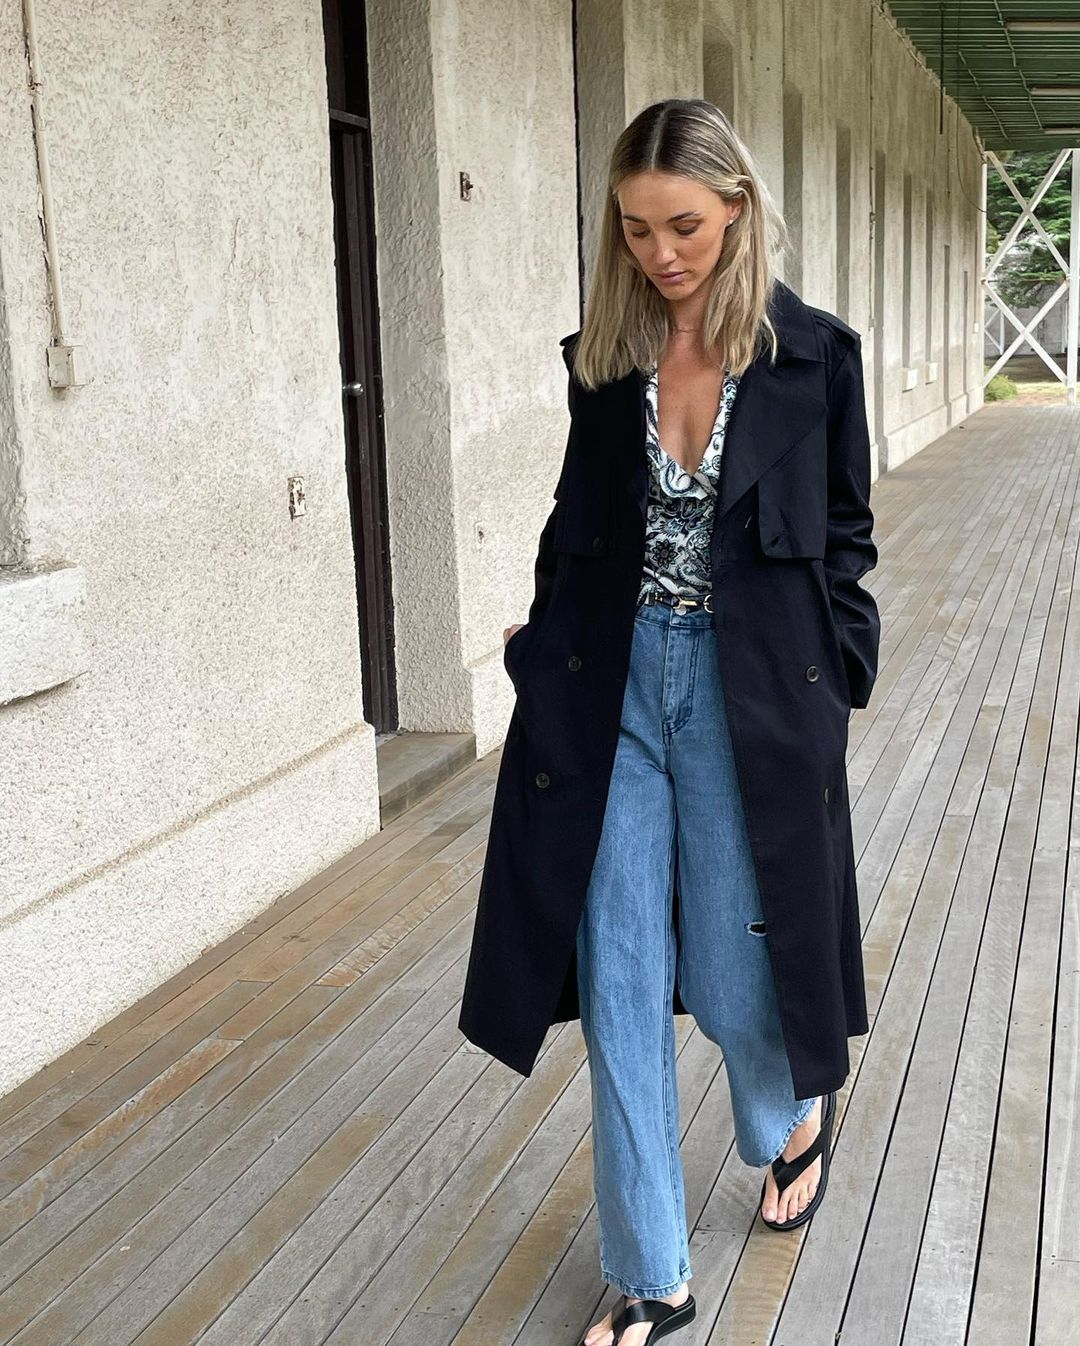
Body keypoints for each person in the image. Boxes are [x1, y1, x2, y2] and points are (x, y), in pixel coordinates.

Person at [468, 97, 879, 1346]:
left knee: (735, 965)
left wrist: (840, 667)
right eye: (638, 228)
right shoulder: (606, 359)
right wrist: (539, 653)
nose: (661, 253)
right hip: (610, 692)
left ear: (737, 208)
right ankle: (651, 1268)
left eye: (684, 225)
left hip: (752, 694)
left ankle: (788, 1111)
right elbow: (572, 526)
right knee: (622, 973)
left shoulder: (814, 357)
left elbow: (847, 537)